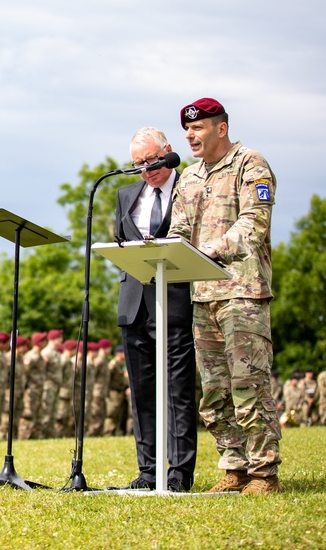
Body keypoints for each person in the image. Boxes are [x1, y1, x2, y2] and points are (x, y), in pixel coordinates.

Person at [168, 97, 281, 494]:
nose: (190, 135)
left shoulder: (251, 163)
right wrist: (163, 250)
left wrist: (216, 247)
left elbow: (256, 220)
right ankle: (234, 468)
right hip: (203, 295)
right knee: (215, 390)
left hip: (242, 291)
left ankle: (264, 473)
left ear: (221, 128)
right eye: (187, 129)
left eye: (198, 129)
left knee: (249, 383)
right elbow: (180, 229)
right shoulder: (189, 176)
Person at [114, 126, 198, 492]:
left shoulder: (190, 186)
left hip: (176, 301)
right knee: (143, 392)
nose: (147, 170)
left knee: (178, 391)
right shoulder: (125, 194)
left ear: (168, 151)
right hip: (135, 306)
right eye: (138, 164)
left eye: (151, 160)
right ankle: (148, 472)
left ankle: (179, 472)